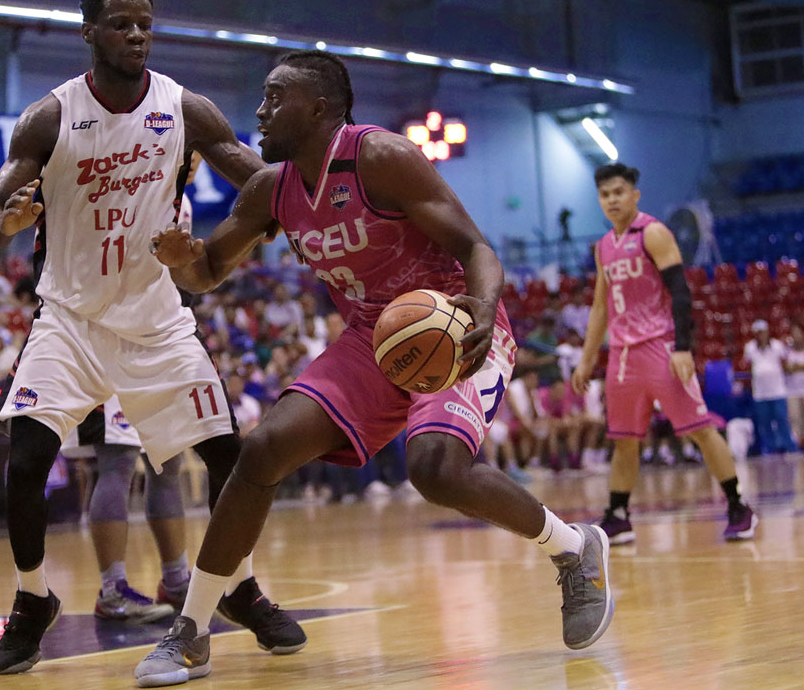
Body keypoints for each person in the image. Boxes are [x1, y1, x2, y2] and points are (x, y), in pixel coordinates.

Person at [135, 50, 613, 687]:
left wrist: (484, 308)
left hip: (449, 320)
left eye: (276, 96)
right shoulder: (270, 188)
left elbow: (476, 246)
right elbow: (209, 270)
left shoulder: (379, 157)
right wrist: (180, 257)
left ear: (320, 108)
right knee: (265, 448)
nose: (261, 109)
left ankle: (573, 548)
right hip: (372, 337)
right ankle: (191, 630)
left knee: (436, 468)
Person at [0, 0, 303, 676]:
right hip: (70, 319)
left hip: (157, 319)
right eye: (121, 23)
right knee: (26, 461)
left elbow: (257, 179)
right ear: (89, 32)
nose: (137, 34)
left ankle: (235, 589)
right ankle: (33, 599)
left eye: (145, 23)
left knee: (227, 458)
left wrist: (301, 206)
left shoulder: (184, 107)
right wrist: (6, 220)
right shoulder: (50, 117)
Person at [571, 163, 756, 545]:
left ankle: (739, 506)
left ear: (634, 195)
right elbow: (601, 308)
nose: (612, 200)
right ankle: (618, 515)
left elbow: (682, 292)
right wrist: (587, 357)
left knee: (701, 431)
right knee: (624, 439)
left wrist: (684, 347)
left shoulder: (653, 233)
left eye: (619, 192)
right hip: (622, 354)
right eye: (605, 195)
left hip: (660, 346)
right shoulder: (604, 246)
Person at [65, 397, 190, 623]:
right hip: (110, 371)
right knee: (118, 459)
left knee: (168, 460)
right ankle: (112, 591)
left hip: (154, 371)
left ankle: (177, 583)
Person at [741, 319, 795, 454]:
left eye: (763, 332)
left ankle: (789, 446)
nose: (761, 335)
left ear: (767, 332)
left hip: (777, 391)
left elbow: (785, 363)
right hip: (760, 393)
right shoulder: (750, 348)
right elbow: (746, 365)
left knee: (781, 419)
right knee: (765, 422)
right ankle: (770, 448)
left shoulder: (777, 346)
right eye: (758, 333)